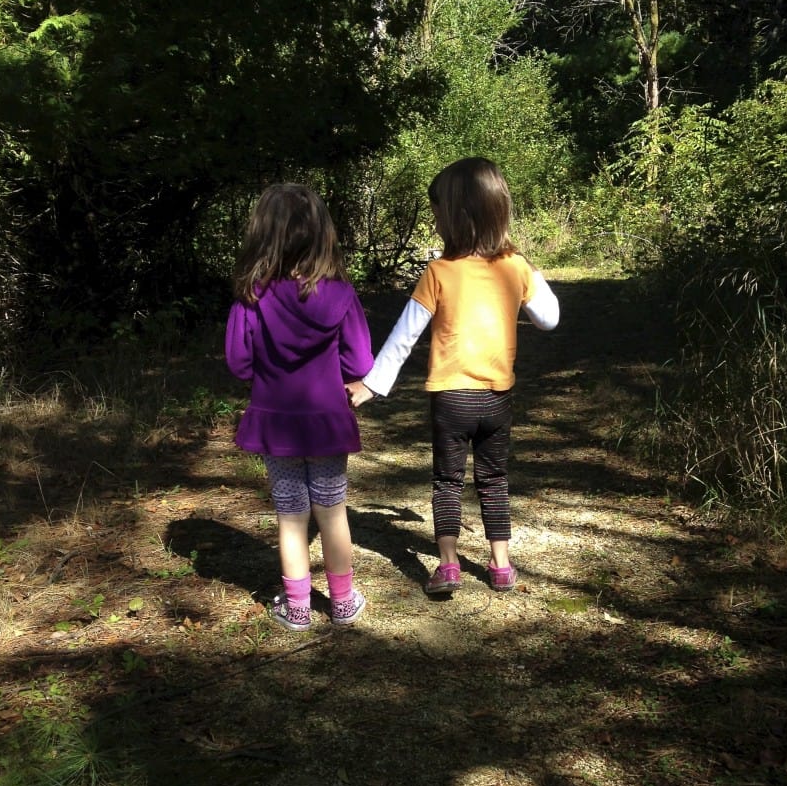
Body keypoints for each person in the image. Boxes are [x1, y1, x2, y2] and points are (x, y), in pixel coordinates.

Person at [347, 157, 559, 594]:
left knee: (447, 480)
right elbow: (550, 318)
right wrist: (527, 266)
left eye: (439, 211)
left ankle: (447, 566)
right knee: (494, 479)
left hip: (450, 399)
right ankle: (500, 565)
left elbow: (404, 336)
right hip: (496, 399)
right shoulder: (514, 266)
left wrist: (372, 384)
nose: (436, 219)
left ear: (457, 216)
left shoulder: (438, 272)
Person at [226, 183, 374, 631]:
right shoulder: (340, 294)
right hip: (327, 422)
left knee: (291, 516)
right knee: (331, 510)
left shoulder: (252, 295)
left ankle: (297, 608)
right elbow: (361, 361)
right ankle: (344, 602)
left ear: (263, 234)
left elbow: (238, 361)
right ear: (321, 234)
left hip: (277, 424)